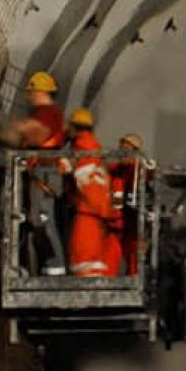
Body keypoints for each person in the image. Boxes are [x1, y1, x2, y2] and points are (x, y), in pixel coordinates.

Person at [2, 71, 68, 274]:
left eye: (31, 91)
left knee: (42, 218)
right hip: (41, 172)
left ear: (41, 91)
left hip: (44, 172)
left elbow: (36, 134)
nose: (28, 95)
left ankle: (55, 266)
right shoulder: (47, 113)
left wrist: (8, 125)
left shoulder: (47, 113)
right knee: (35, 220)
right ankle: (40, 266)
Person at [64, 109, 123, 278]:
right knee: (94, 266)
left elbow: (87, 183)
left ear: (76, 128)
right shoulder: (93, 149)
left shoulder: (84, 149)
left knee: (85, 264)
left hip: (87, 215)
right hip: (96, 217)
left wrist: (65, 167)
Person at [109, 133, 149, 275]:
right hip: (114, 225)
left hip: (133, 225)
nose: (122, 153)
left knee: (134, 262)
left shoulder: (138, 170)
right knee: (110, 261)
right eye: (121, 149)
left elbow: (150, 173)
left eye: (126, 149)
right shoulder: (115, 170)